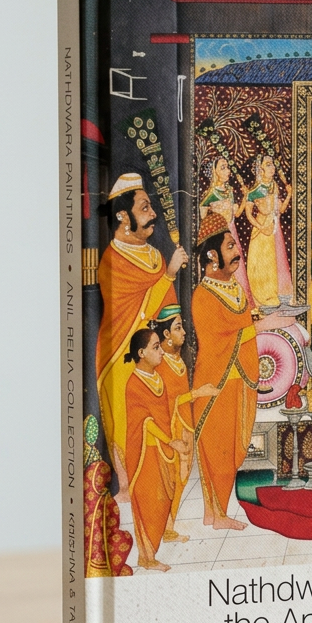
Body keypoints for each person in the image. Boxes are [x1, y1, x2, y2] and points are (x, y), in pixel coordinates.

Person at [191, 213, 290, 529]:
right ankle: (216, 514)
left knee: (235, 448)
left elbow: (240, 321)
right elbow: (217, 337)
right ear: (212, 255)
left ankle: (215, 512)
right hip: (216, 383)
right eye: (230, 246)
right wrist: (262, 325)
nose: (237, 252)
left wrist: (259, 320)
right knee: (218, 448)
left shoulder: (233, 287)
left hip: (241, 378)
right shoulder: (203, 295)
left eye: (235, 245)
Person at [95, 174, 186, 495]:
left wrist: (174, 335)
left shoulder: (155, 256)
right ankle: (126, 487)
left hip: (154, 352)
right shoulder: (111, 260)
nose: (153, 214)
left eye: (151, 207)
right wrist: (169, 274)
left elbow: (165, 307)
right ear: (123, 216)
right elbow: (138, 313)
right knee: (128, 423)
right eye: (144, 208)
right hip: (120, 352)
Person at [122, 328, 190, 571]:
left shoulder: (158, 378)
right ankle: (146, 558)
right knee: (149, 504)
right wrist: (171, 441)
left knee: (164, 501)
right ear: (141, 353)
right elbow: (146, 422)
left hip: (163, 450)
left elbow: (168, 410)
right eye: (155, 347)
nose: (161, 351)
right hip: (145, 453)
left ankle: (155, 550)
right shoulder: (134, 384)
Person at [151, 305, 219, 542]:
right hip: (171, 426)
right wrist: (198, 393)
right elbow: (167, 400)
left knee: (181, 478)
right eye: (178, 328)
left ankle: (168, 527)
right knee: (170, 478)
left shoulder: (176, 359)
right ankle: (162, 528)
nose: (184, 332)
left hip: (185, 423)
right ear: (166, 334)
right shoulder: (160, 362)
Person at [200, 156, 253, 304]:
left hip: (232, 233)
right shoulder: (211, 194)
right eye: (223, 168)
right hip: (219, 238)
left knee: (237, 267)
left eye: (227, 167)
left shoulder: (229, 191)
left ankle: (243, 302)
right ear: (215, 172)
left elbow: (237, 214)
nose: (227, 171)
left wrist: (245, 197)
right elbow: (203, 217)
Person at [244, 154, 293, 308]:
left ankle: (281, 295)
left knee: (277, 261)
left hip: (274, 228)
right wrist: (261, 227)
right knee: (263, 265)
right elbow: (248, 214)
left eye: (272, 164)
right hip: (262, 231)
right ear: (260, 169)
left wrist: (289, 194)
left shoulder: (274, 186)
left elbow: (281, 209)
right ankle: (264, 298)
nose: (272, 168)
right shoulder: (254, 191)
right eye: (268, 165)